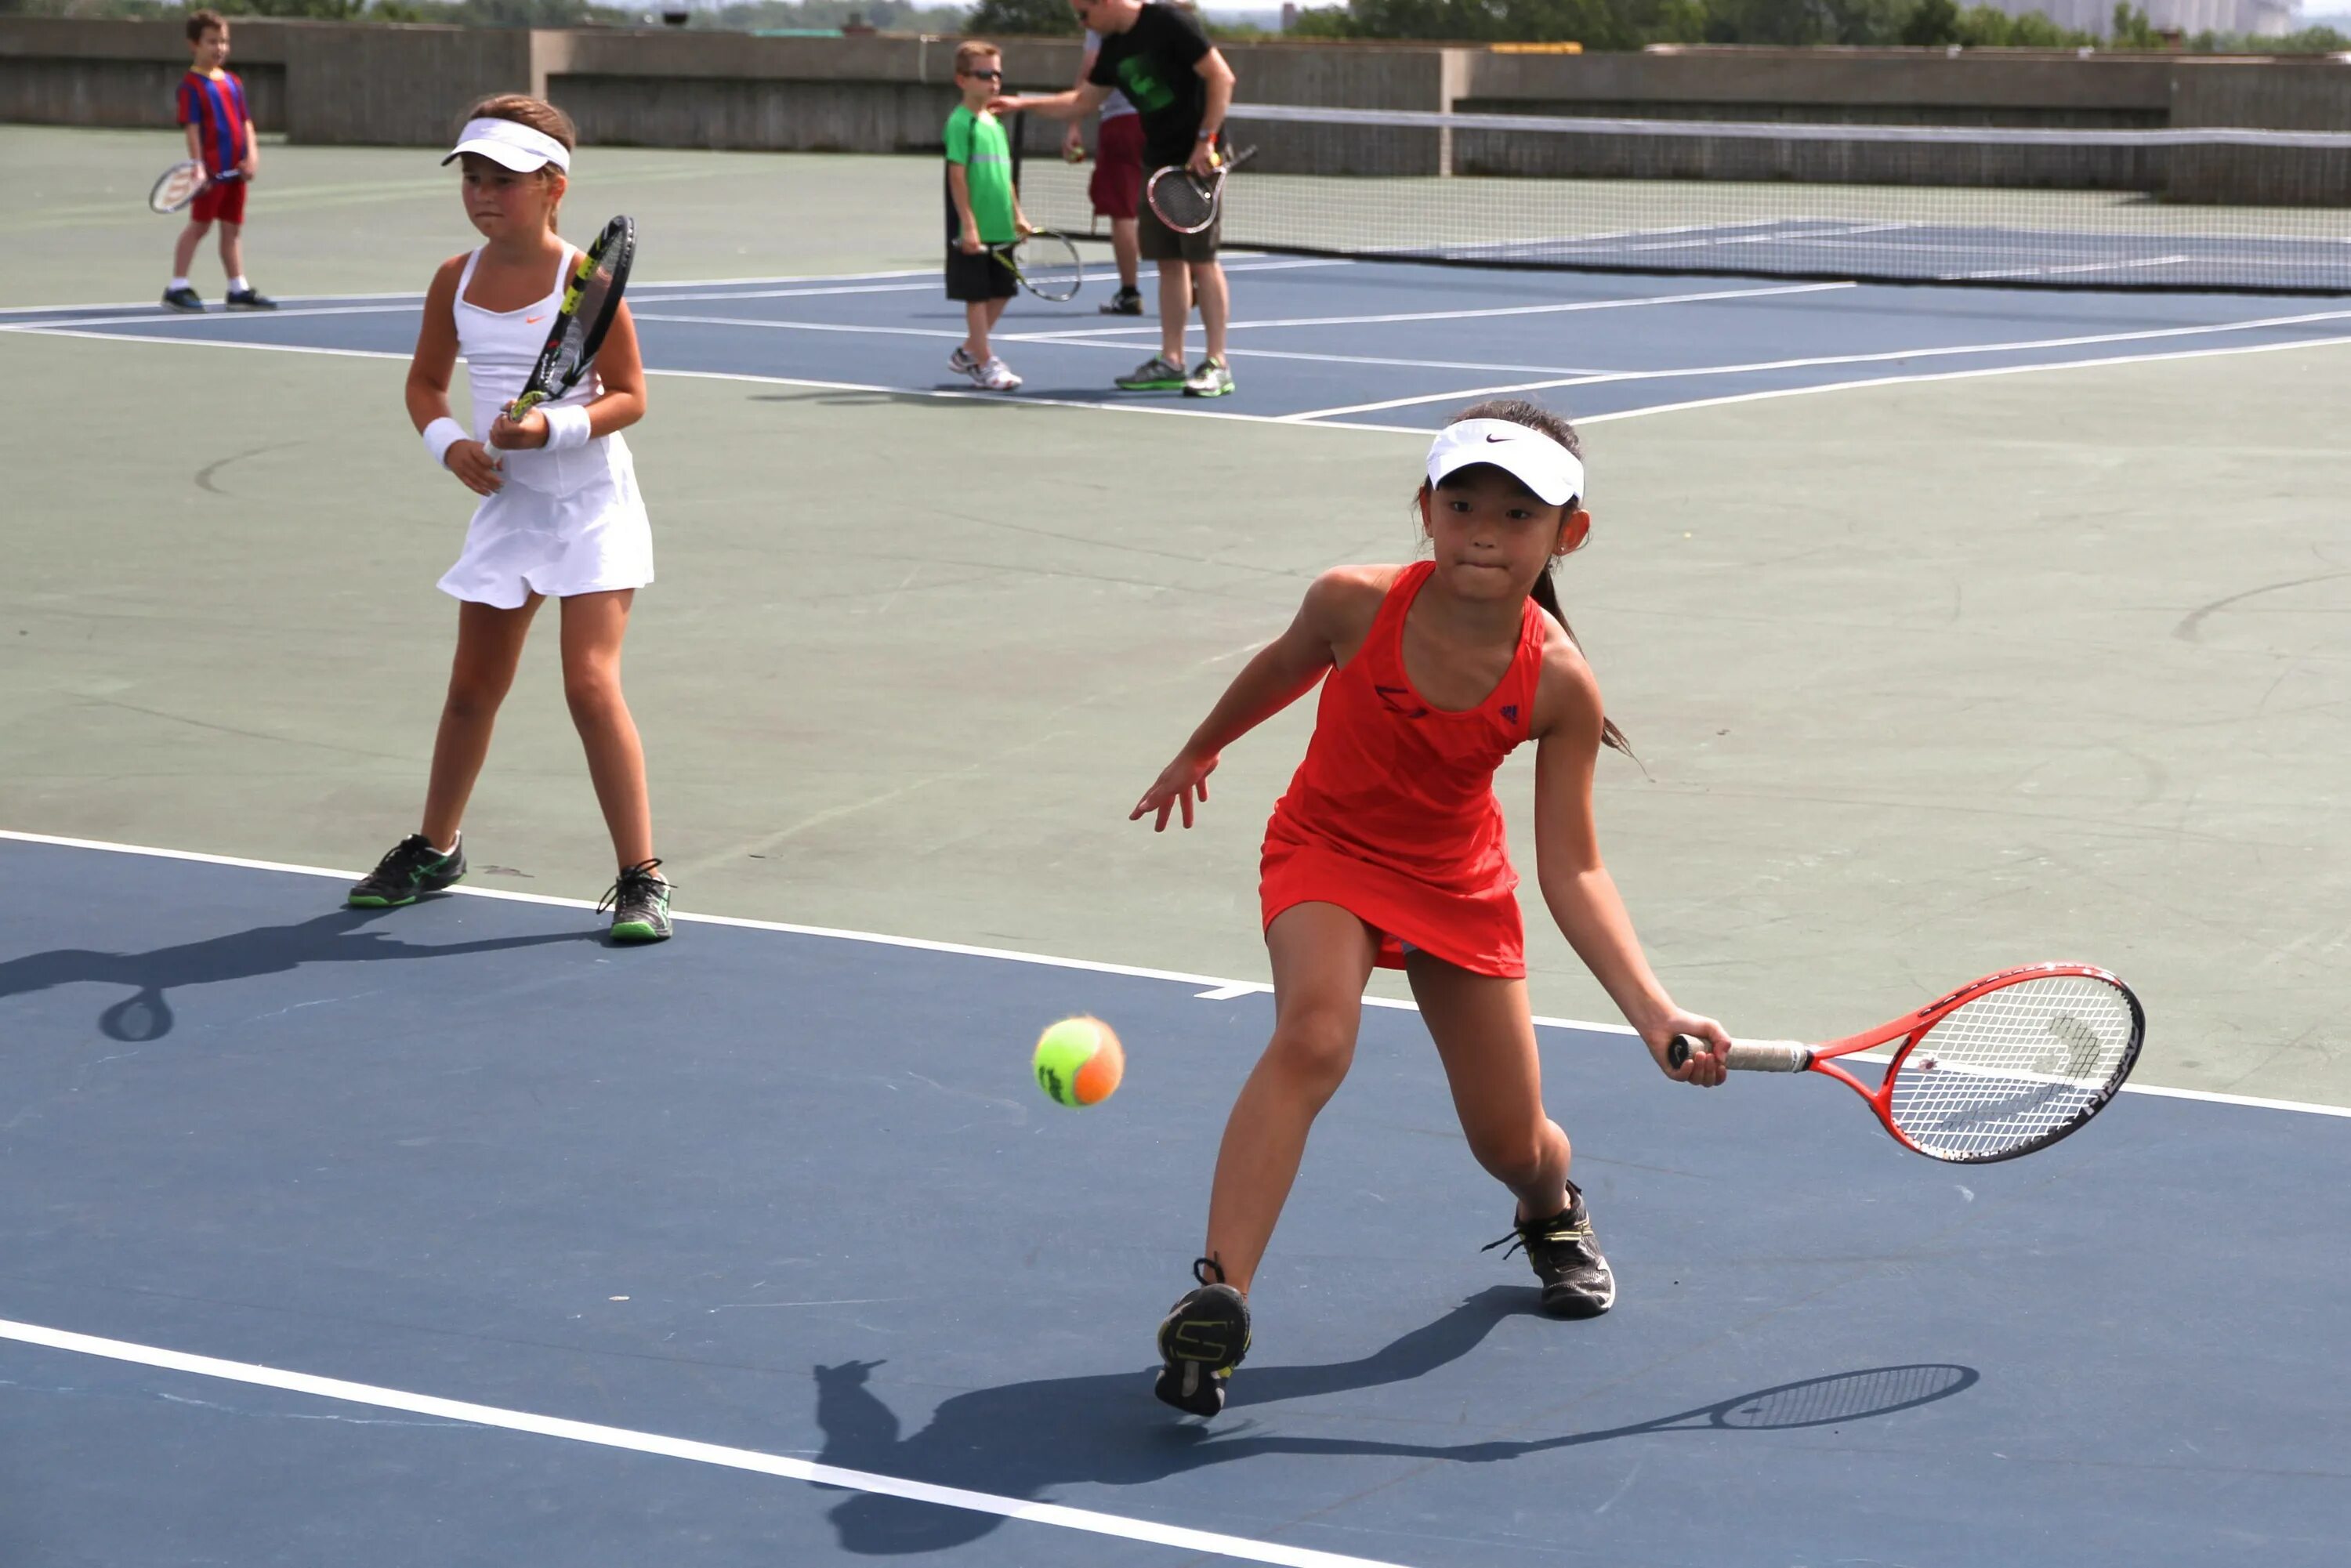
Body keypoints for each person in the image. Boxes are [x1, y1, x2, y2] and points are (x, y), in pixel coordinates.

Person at [1128, 400, 1733, 1416]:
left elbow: (1574, 870)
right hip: (1328, 849)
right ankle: (1216, 1302)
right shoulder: (1352, 604)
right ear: (1427, 511)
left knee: (1511, 1141)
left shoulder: (1559, 685)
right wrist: (1202, 745)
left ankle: (1549, 1208)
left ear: (1567, 534)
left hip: (1459, 886)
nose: (1485, 531)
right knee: (1315, 1034)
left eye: (1518, 512)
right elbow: (1281, 668)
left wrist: (1654, 1011)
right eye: (1462, 505)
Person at [349, 96, 673, 944]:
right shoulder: (452, 280)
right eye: (474, 178)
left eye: (505, 180)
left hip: (592, 505)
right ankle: (436, 848)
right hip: (508, 507)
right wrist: (452, 445)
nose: (484, 193)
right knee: (471, 691)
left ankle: (642, 877)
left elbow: (632, 397)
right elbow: (424, 386)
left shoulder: (588, 283)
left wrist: (550, 425)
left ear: (553, 187)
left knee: (590, 686)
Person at [991, 0, 1236, 398]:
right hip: (1157, 160)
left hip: (1198, 159)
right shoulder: (1112, 47)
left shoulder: (1169, 21)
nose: (1082, 22)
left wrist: (1205, 139)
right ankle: (1171, 361)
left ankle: (1217, 364)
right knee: (1168, 263)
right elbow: (1082, 102)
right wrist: (1023, 104)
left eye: (1084, 14)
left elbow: (1221, 78)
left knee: (1202, 262)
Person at [163, 10, 274, 314]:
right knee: (199, 226)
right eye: (212, 41)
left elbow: (245, 123)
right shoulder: (191, 86)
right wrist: (198, 166)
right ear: (193, 45)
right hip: (210, 175)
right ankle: (177, 286)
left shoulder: (233, 82)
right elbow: (193, 128)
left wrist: (252, 156)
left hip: (235, 174)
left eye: (224, 41)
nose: (220, 48)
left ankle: (237, 288)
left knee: (232, 229)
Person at [943, 41, 1031, 393]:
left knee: (1003, 290)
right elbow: (957, 175)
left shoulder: (994, 123)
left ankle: (968, 351)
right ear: (962, 80)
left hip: (1001, 224)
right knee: (976, 296)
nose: (993, 81)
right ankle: (984, 362)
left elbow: (1005, 174)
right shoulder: (959, 123)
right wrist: (968, 224)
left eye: (997, 74)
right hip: (973, 227)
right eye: (984, 74)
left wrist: (1018, 214)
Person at [1063, 28, 1144, 317]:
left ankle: (1129, 292)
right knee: (1167, 206)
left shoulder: (1102, 19)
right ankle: (1186, 280)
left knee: (1123, 212)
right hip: (1165, 122)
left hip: (1122, 123)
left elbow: (1090, 70)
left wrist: (1074, 124)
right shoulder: (1161, 13)